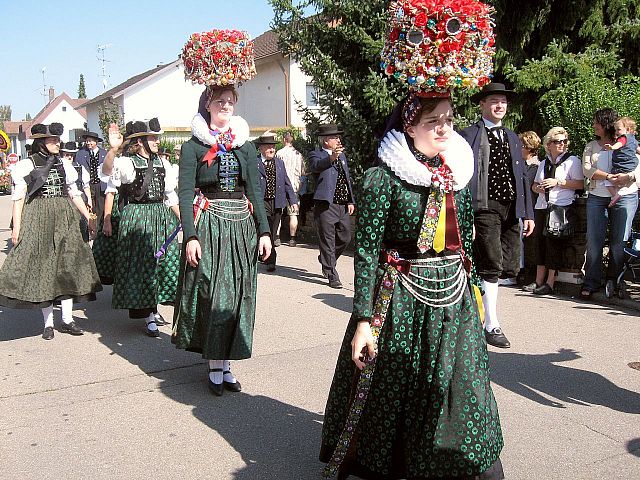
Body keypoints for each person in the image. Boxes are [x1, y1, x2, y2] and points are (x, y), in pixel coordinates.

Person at [320, 1, 504, 478]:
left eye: (447, 118)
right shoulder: (384, 179)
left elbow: (463, 240)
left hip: (455, 297)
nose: (444, 128)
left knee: (460, 385)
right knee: (399, 387)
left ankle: (463, 459)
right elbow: (366, 252)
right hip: (402, 298)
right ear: (409, 125)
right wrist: (362, 320)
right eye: (433, 121)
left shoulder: (456, 172)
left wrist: (479, 289)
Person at [172, 29, 272, 396]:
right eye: (220, 100)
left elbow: (255, 191)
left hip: (241, 225)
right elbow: (185, 194)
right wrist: (191, 235)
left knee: (240, 292)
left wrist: (264, 231)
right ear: (208, 105)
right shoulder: (192, 147)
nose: (226, 106)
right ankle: (215, 364)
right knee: (214, 292)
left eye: (230, 100)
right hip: (210, 222)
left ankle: (227, 363)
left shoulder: (245, 146)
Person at [0, 123, 101, 339]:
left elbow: (74, 194)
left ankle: (67, 320)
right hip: (39, 217)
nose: (57, 143)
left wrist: (88, 217)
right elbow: (18, 200)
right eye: (52, 140)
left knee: (67, 266)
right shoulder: (27, 165)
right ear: (40, 143)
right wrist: (16, 228)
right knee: (44, 268)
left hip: (65, 217)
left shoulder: (65, 164)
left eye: (57, 140)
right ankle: (48, 324)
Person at [460, 82, 535, 349]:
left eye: (503, 101)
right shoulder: (468, 134)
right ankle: (491, 323)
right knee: (491, 262)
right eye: (494, 101)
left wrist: (527, 213)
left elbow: (523, 177)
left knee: (509, 265)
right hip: (484, 205)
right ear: (482, 104)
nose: (499, 105)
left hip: (511, 208)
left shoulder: (513, 137)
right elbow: (458, 173)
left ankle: (473, 308)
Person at [100, 118, 181, 336]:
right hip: (137, 217)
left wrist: (184, 220)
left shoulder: (164, 164)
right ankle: (148, 314)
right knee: (142, 265)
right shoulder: (127, 163)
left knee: (166, 262)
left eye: (156, 137)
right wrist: (113, 149)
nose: (156, 141)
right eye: (153, 137)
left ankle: (154, 307)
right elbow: (107, 171)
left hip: (160, 216)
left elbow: (170, 196)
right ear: (141, 141)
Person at [581, 108, 640, 299]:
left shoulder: (627, 141)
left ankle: (614, 280)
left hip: (625, 195)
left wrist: (628, 176)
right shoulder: (592, 146)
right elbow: (587, 170)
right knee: (595, 241)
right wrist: (608, 176)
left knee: (618, 242)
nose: (593, 126)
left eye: (596, 122)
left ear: (605, 123)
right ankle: (591, 281)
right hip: (598, 196)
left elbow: (638, 164)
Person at [522, 127, 584, 295]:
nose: (562, 144)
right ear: (548, 144)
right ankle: (538, 280)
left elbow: (580, 184)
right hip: (543, 206)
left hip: (560, 206)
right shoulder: (543, 163)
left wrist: (558, 182)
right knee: (540, 244)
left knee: (553, 245)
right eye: (558, 141)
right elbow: (534, 186)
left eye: (564, 141)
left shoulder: (572, 161)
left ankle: (550, 282)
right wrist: (540, 188)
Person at [309, 124, 355, 289]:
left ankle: (326, 259)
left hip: (342, 204)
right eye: (335, 137)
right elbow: (316, 166)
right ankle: (332, 274)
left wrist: (351, 200)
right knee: (327, 241)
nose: (338, 140)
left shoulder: (342, 156)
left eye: (338, 137)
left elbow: (346, 178)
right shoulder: (316, 154)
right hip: (325, 204)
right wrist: (331, 158)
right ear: (326, 140)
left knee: (345, 237)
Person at [255, 133, 298, 272]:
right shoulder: (255, 163)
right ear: (261, 148)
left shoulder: (279, 163)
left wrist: (293, 200)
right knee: (265, 228)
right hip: (261, 202)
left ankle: (265, 253)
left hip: (277, 202)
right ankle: (270, 260)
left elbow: (286, 182)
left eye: (273, 147)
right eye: (268, 147)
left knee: (273, 232)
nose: (271, 150)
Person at [276, 131, 306, 246]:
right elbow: (303, 172)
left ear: (284, 140)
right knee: (293, 214)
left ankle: (277, 236)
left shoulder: (279, 153)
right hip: (294, 187)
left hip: (281, 186)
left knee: (278, 211)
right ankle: (292, 238)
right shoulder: (298, 154)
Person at [519, 131, 542, 282]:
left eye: (521, 145)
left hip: (532, 210)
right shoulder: (521, 165)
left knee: (531, 244)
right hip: (521, 210)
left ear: (529, 148)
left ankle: (529, 275)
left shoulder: (536, 167)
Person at [603, 116, 639, 207]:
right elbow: (638, 149)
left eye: (618, 129)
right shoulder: (634, 140)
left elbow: (619, 144)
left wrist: (612, 147)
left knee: (607, 182)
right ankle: (621, 191)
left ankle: (615, 195)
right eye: (615, 130)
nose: (616, 132)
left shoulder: (623, 138)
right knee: (626, 182)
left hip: (621, 165)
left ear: (627, 129)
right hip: (631, 166)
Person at [60, 141, 92, 242]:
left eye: (71, 155)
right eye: (67, 155)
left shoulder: (80, 168)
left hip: (79, 202)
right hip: (64, 203)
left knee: (82, 228)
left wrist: (89, 201)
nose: (69, 157)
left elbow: (86, 186)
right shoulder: (58, 168)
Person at [75, 131, 107, 220]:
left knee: (101, 207)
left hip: (101, 185)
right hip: (88, 185)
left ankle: (100, 227)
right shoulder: (80, 153)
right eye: (87, 141)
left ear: (96, 142)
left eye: (90, 141)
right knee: (89, 206)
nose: (88, 143)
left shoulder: (104, 153)